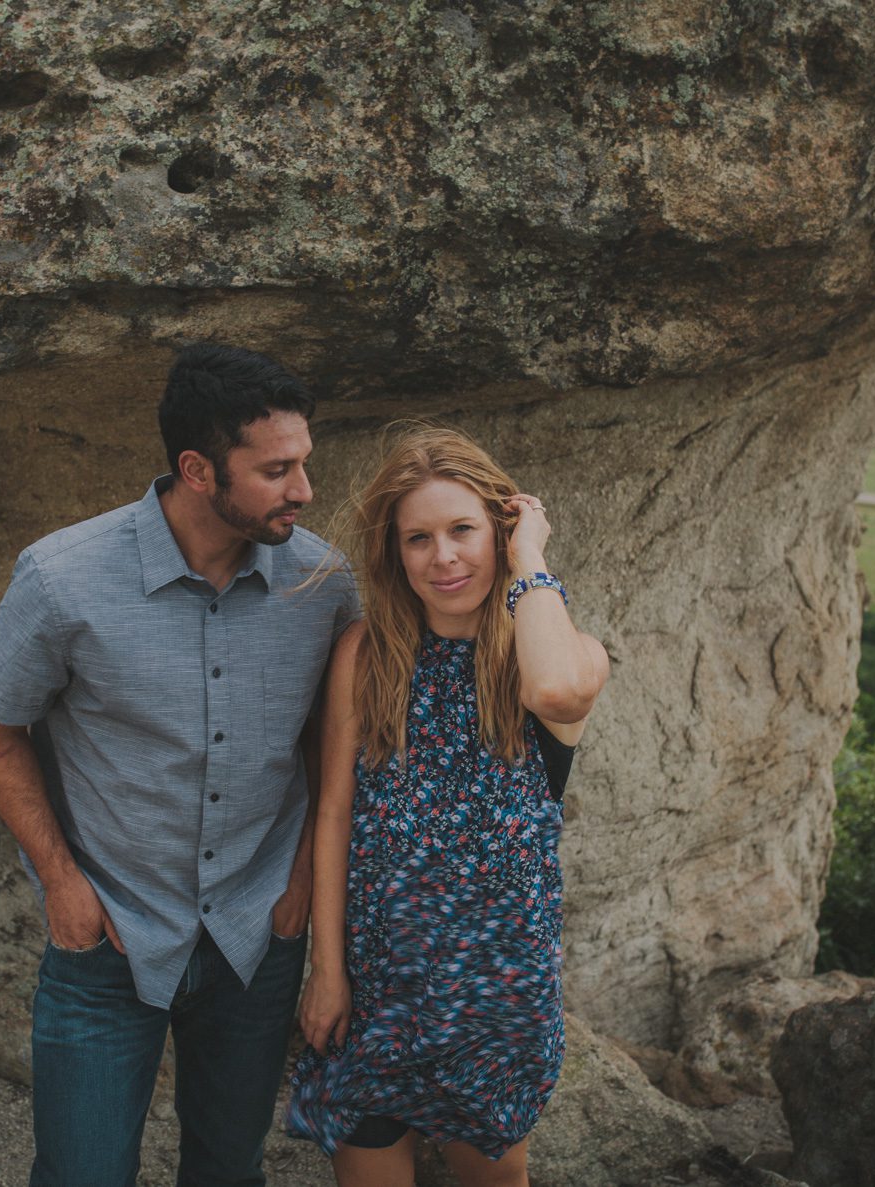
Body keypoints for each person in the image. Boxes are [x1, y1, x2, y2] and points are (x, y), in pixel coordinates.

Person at [0, 343, 359, 1187]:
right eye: (279, 469)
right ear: (197, 469)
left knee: (229, 1170)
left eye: (305, 463)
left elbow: (334, 753)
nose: (305, 490)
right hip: (107, 936)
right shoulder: (60, 578)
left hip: (259, 936)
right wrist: (60, 879)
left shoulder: (325, 584)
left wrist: (297, 887)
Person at [286, 426, 609, 1186]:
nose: (444, 557)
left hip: (495, 1000)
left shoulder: (562, 656)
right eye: (418, 538)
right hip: (376, 987)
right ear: (395, 553)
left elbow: (557, 690)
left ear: (497, 530)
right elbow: (333, 813)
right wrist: (326, 969)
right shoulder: (366, 655)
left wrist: (529, 552)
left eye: (464, 530)